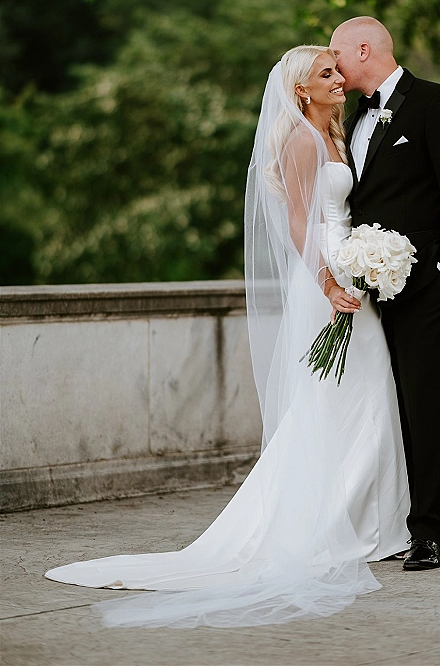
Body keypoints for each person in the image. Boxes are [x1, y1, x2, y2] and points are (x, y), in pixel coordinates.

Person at [45, 45, 411, 628]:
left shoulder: (336, 134)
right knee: (335, 397)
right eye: (326, 73)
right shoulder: (299, 141)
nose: (339, 79)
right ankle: (328, 523)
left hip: (347, 270)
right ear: (300, 92)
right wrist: (326, 283)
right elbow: (298, 221)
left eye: (338, 70)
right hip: (322, 279)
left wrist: (364, 261)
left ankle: (371, 521)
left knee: (367, 393)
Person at [329, 17, 440, 570]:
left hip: (431, 287)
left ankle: (429, 533)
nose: (332, 63)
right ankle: (392, 521)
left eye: (337, 53)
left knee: (424, 403)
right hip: (377, 289)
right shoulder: (351, 121)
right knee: (388, 405)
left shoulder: (438, 103)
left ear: (364, 49)